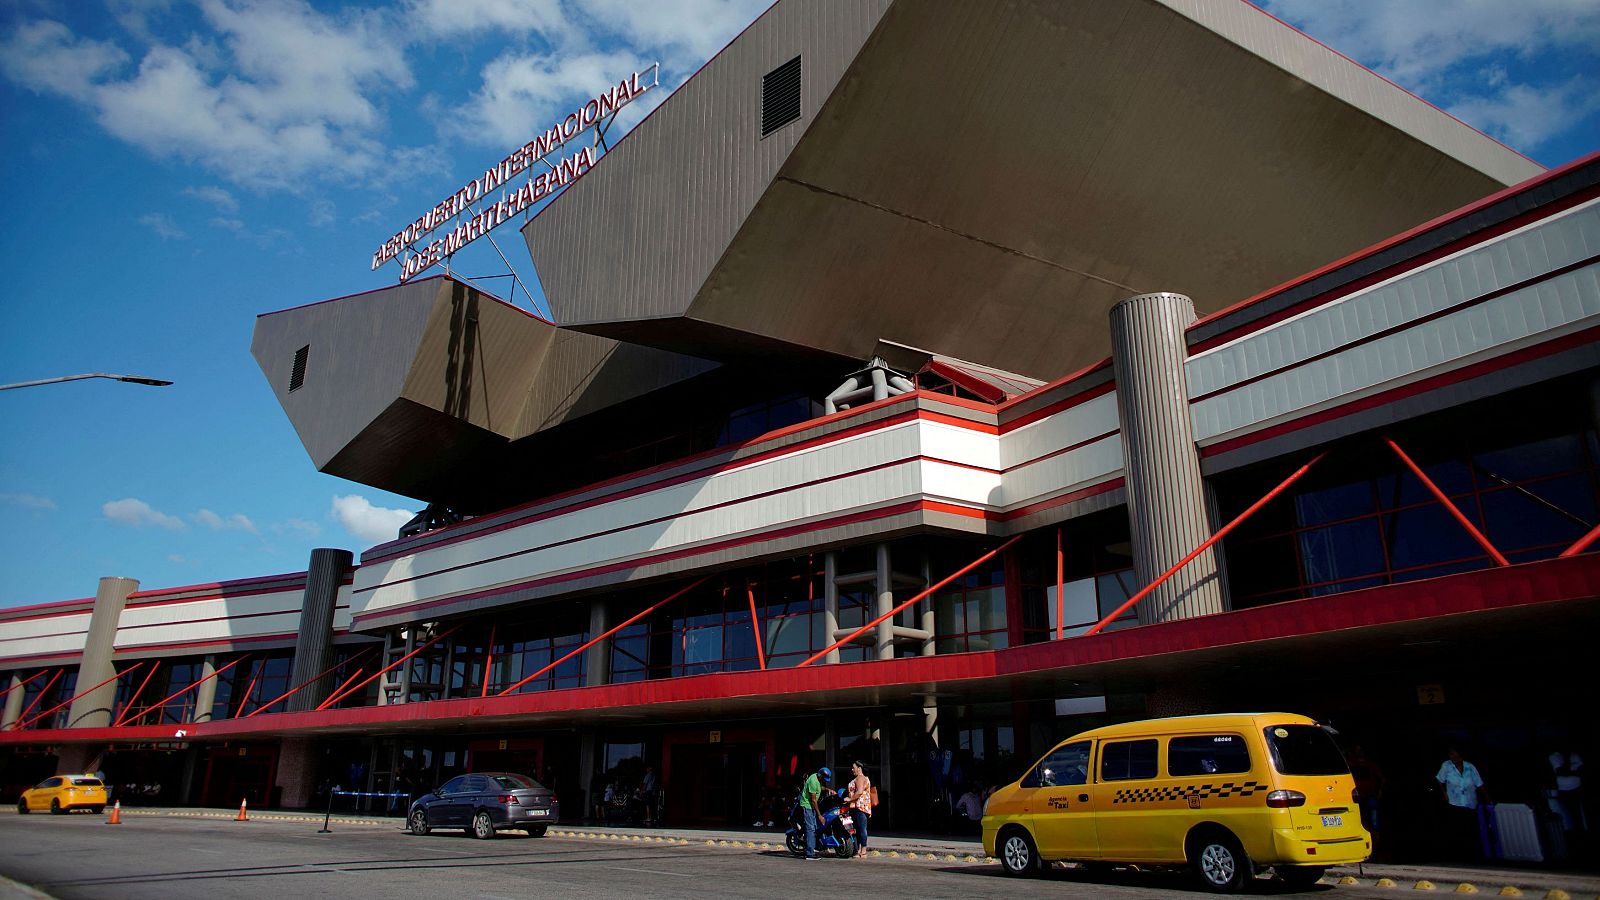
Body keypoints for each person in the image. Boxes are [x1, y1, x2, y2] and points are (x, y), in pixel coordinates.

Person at [1436, 748, 1489, 861]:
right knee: (1457, 829)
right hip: (1454, 803)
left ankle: (1473, 855)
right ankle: (1458, 855)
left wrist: (1488, 800)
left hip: (1470, 803)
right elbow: (1439, 781)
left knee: (1470, 830)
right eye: (1451, 755)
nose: (1454, 758)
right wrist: (1445, 795)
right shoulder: (1447, 766)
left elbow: (1479, 784)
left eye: (1456, 755)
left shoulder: (1470, 767)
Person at [1347, 745, 1386, 855]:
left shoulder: (1370, 764)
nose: (1359, 752)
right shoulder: (1352, 763)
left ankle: (1376, 849)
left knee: (1374, 823)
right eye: (1357, 750)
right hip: (1357, 798)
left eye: (1361, 750)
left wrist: (1379, 793)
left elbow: (1382, 779)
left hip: (1370, 797)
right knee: (1360, 822)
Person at [1549, 747, 1585, 834]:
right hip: (1564, 790)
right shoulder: (1554, 756)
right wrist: (1573, 771)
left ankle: (1581, 831)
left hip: (1577, 788)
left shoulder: (1574, 755)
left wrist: (1570, 771)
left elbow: (1582, 770)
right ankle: (1573, 833)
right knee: (1568, 814)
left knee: (1579, 813)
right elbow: (1560, 771)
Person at [799, 766, 832, 860]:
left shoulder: (817, 778)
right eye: (824, 778)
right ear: (820, 775)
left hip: (811, 806)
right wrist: (819, 815)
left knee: (813, 827)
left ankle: (810, 848)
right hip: (808, 806)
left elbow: (819, 788)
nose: (824, 780)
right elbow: (813, 800)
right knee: (811, 829)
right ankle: (810, 853)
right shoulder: (813, 781)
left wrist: (827, 789)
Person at [843, 760, 873, 856]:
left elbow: (859, 791)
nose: (852, 769)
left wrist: (849, 799)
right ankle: (858, 849)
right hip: (857, 807)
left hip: (860, 807)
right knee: (857, 829)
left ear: (859, 768)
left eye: (853, 768)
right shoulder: (860, 778)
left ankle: (863, 850)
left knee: (861, 829)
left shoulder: (860, 778)